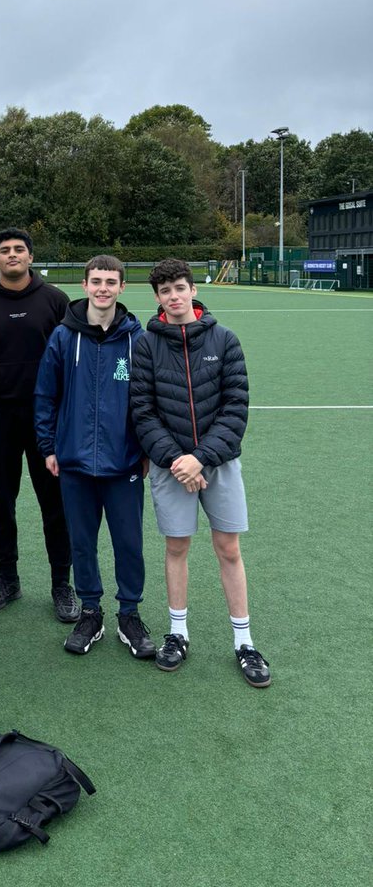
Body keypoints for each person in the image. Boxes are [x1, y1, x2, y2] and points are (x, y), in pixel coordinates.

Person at [129, 258, 271, 687]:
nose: (174, 296)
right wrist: (178, 460)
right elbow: (143, 411)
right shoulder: (146, 345)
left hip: (219, 463)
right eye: (165, 291)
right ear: (156, 298)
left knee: (228, 548)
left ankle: (244, 642)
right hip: (171, 465)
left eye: (180, 288)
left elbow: (235, 407)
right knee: (177, 548)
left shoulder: (224, 339)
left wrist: (202, 458)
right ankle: (177, 633)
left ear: (193, 290)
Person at [34, 256, 155, 659]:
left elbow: (148, 401)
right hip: (75, 461)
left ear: (122, 288)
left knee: (129, 543)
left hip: (125, 464)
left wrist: (146, 449)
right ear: (84, 285)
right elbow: (45, 395)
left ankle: (129, 614)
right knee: (81, 543)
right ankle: (90, 612)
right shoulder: (64, 337)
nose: (103, 288)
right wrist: (49, 447)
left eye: (111, 282)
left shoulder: (138, 338)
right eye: (96, 281)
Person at [0, 228, 77, 621]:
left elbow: (71, 360)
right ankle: (8, 578)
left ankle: (62, 584)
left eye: (19, 250)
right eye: (4, 250)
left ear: (31, 256)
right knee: (0, 501)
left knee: (56, 503)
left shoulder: (55, 300)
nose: (12, 255)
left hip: (47, 418)